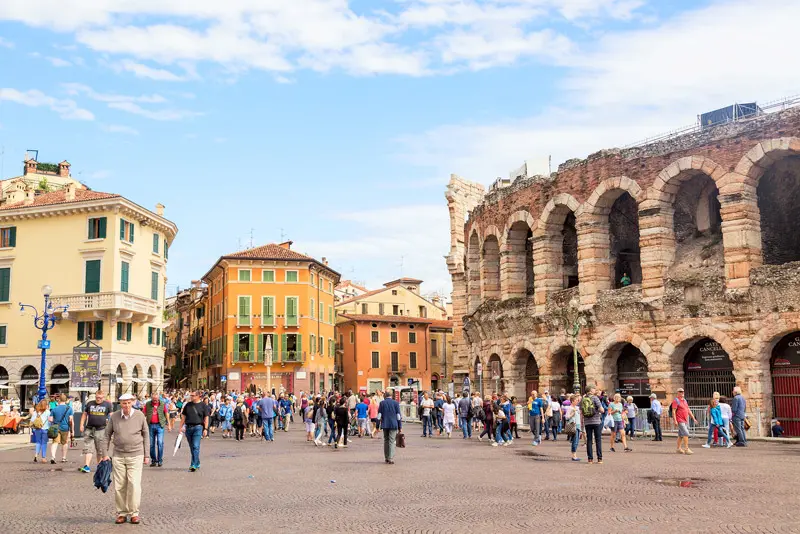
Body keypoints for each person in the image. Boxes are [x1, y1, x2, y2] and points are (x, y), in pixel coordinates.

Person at [102, 393, 149, 525]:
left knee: (134, 484)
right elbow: (106, 435)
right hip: (118, 455)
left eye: (128, 403)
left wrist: (147, 455)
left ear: (132, 402)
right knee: (120, 486)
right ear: (120, 404)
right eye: (124, 403)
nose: (126, 406)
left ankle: (134, 513)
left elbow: (146, 434)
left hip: (136, 454)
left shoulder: (140, 415)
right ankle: (121, 513)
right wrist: (104, 453)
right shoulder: (115, 416)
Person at [79, 390, 113, 473]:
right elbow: (84, 414)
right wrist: (81, 424)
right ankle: (87, 466)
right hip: (89, 429)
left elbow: (112, 416)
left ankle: (99, 466)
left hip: (101, 429)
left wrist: (112, 427)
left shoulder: (108, 404)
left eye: (100, 398)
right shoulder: (90, 403)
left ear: (103, 397)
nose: (98, 399)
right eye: (97, 398)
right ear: (95, 397)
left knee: (100, 450)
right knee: (88, 448)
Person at [180, 391, 209, 472]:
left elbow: (206, 418)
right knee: (192, 447)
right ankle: (197, 461)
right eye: (191, 395)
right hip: (188, 428)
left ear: (198, 396)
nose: (191, 397)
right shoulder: (188, 405)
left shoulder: (203, 406)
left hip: (198, 427)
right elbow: (183, 417)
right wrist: (181, 427)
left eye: (193, 395)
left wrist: (205, 429)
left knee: (196, 446)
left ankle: (193, 464)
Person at [144, 393, 171, 467]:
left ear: (159, 398)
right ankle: (153, 460)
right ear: (151, 399)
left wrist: (169, 424)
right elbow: (144, 414)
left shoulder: (162, 403)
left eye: (156, 400)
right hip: (150, 425)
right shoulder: (148, 404)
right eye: (154, 400)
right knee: (151, 444)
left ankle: (160, 460)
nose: (155, 401)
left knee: (160, 443)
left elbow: (166, 413)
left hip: (160, 425)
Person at [377, 390, 402, 464]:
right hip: (394, 424)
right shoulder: (396, 403)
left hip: (385, 424)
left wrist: (377, 426)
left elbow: (379, 416)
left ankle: (386, 457)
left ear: (385, 395)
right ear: (392, 395)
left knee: (386, 440)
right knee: (391, 441)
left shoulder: (382, 403)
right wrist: (400, 426)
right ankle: (390, 458)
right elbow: (398, 416)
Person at [582, 386, 604, 464]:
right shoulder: (595, 398)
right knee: (598, 440)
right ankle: (599, 459)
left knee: (589, 440)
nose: (595, 390)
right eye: (594, 388)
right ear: (591, 390)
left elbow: (581, 410)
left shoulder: (583, 399)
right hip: (596, 421)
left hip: (587, 422)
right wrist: (597, 410)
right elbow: (602, 410)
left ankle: (590, 459)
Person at [49, 393, 74, 464]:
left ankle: (53, 457)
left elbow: (50, 419)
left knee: (55, 442)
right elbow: (70, 419)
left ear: (59, 400)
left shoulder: (54, 409)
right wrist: (72, 430)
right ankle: (64, 457)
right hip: (65, 427)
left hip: (56, 428)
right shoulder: (69, 409)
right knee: (64, 443)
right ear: (66, 400)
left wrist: (54, 421)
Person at [672, 387, 698, 455]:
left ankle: (678, 449)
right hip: (680, 419)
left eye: (682, 391)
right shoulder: (676, 401)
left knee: (681, 435)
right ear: (677, 393)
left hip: (685, 419)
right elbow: (673, 411)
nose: (682, 393)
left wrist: (693, 418)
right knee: (686, 433)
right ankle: (686, 449)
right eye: (680, 392)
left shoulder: (685, 401)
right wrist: (675, 420)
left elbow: (688, 410)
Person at [30, 399, 51, 463]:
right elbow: (49, 421)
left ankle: (36, 456)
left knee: (38, 442)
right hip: (45, 429)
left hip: (37, 429)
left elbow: (32, 421)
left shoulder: (35, 412)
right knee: (44, 443)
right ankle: (43, 457)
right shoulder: (47, 412)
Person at [565, 394, 582, 461]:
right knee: (575, 441)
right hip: (573, 426)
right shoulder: (570, 408)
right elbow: (566, 417)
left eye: (578, 400)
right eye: (576, 400)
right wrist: (572, 414)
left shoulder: (577, 408)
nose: (577, 401)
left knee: (577, 441)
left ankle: (574, 454)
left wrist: (580, 427)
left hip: (577, 425)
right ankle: (574, 456)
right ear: (572, 401)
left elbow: (579, 419)